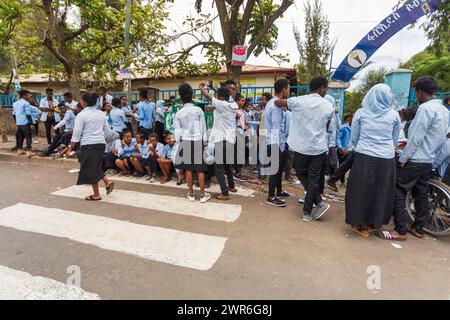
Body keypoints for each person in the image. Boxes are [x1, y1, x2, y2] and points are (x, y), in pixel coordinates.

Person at [377, 76, 449, 241]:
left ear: (420, 92)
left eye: (416, 92)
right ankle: (418, 227)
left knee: (398, 189)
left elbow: (416, 137)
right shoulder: (444, 110)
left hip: (416, 158)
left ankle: (400, 230)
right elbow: (441, 136)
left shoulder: (424, 109)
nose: (416, 95)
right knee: (420, 193)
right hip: (428, 158)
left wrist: (404, 158)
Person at [345, 84, 401, 238]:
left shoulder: (361, 113)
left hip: (364, 157)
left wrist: (366, 146)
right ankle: (374, 222)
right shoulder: (394, 115)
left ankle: (359, 223)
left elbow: (354, 138)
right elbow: (394, 139)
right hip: (386, 159)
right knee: (380, 191)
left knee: (360, 190)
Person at [275, 76, 334, 222]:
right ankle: (310, 209)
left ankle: (316, 204)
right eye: (325, 88)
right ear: (321, 88)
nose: (325, 91)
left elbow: (278, 102)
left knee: (301, 174)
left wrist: (280, 101)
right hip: (318, 148)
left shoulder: (298, 101)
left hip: (300, 147)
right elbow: (328, 128)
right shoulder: (328, 106)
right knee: (313, 179)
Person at [65, 92, 115, 201]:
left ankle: (97, 194)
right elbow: (107, 132)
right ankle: (107, 182)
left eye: (81, 100)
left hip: (88, 145)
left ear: (84, 102)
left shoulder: (81, 115)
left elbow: (76, 135)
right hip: (101, 144)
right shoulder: (102, 114)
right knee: (93, 166)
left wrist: (69, 149)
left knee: (90, 168)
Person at [198, 82, 237, 201]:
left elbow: (208, 96)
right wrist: (212, 87)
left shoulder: (222, 104)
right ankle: (231, 186)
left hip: (221, 140)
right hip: (230, 140)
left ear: (220, 97)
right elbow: (220, 94)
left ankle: (225, 194)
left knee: (218, 167)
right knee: (227, 164)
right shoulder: (233, 105)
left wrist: (201, 88)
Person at [173, 83, 210, 203]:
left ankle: (191, 193)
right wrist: (205, 142)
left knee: (188, 169)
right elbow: (204, 128)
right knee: (200, 170)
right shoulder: (198, 110)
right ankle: (203, 194)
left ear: (181, 97)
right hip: (198, 140)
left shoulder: (179, 113)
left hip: (185, 141)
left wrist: (179, 143)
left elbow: (177, 131)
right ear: (192, 95)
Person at [265, 79, 291, 207]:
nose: (289, 91)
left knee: (279, 169)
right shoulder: (275, 106)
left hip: (276, 142)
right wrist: (279, 146)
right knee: (275, 170)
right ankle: (271, 196)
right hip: (275, 142)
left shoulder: (272, 102)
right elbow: (276, 128)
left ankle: (279, 191)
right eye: (288, 88)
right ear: (283, 89)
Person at [234, 94, 248, 182]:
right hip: (236, 132)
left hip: (241, 132)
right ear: (237, 101)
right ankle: (237, 172)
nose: (243, 102)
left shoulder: (242, 111)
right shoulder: (234, 110)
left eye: (243, 101)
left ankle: (238, 170)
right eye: (241, 101)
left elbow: (243, 122)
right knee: (237, 153)